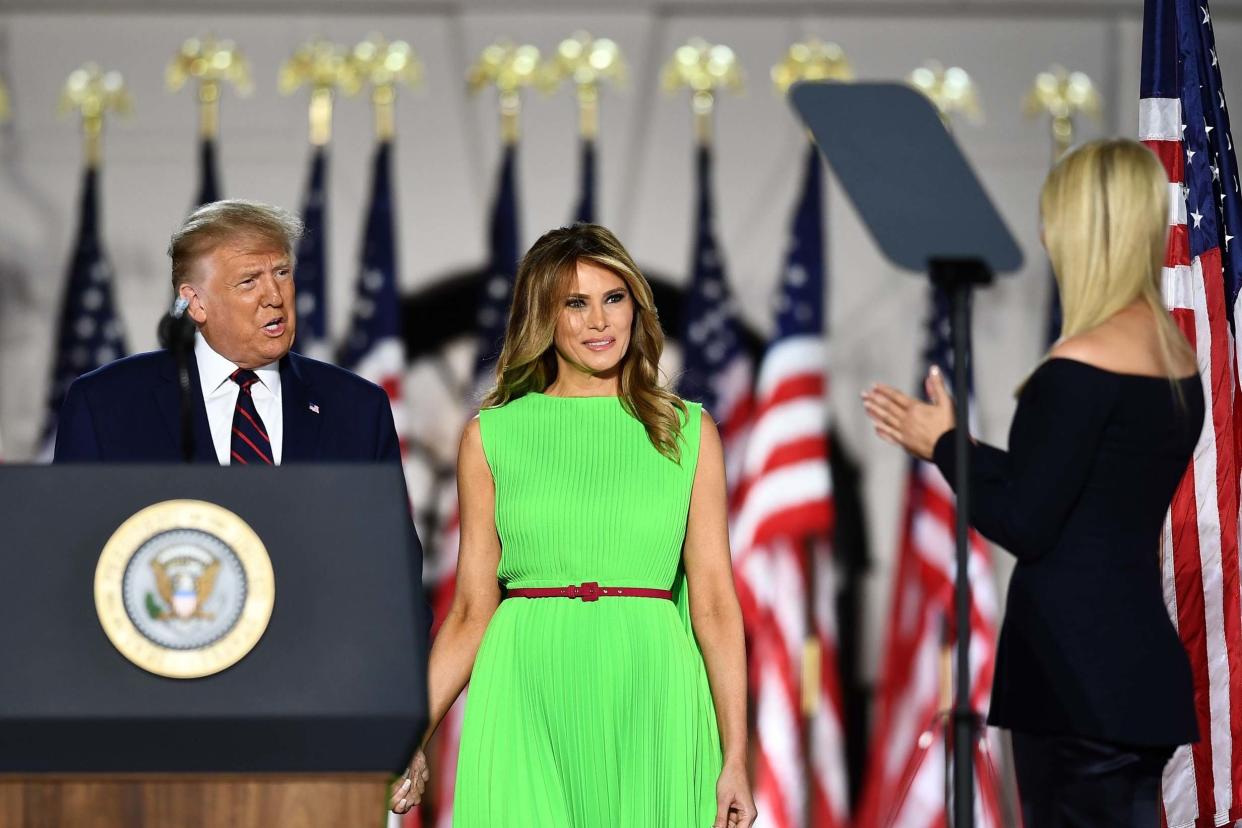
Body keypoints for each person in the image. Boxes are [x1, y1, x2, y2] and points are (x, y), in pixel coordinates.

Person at [862, 138, 1203, 826]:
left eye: (1053, 218)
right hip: (1139, 676)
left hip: (1071, 683)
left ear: (1084, 230)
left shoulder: (1077, 363)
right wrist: (955, 443)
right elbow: (1073, 491)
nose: (1045, 235)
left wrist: (948, 447)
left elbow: (1025, 520)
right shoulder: (1174, 357)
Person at [390, 223, 756, 827]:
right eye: (575, 303)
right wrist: (412, 736)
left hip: (651, 686)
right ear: (544, 316)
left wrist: (735, 755)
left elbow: (715, 601)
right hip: (526, 684)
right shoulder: (492, 438)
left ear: (636, 307)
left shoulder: (690, 434)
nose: (599, 322)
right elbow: (470, 611)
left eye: (614, 298)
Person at [54, 199, 401, 465]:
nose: (275, 297)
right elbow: (71, 546)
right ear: (195, 303)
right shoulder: (105, 405)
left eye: (281, 273)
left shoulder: (358, 409)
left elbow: (392, 550)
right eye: (249, 281)